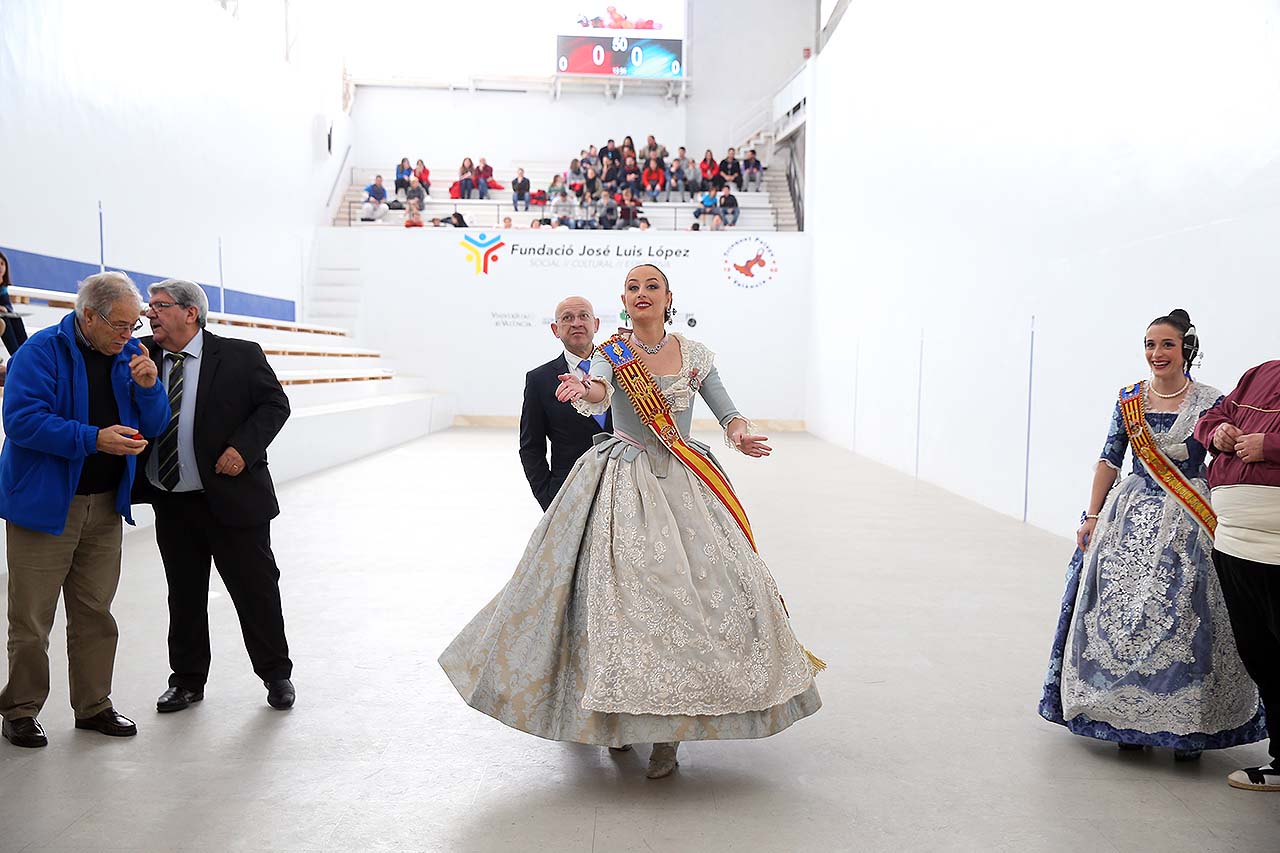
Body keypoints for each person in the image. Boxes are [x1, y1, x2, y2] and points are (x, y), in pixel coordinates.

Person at [441, 264, 822, 778]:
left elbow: (727, 411)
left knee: (694, 605)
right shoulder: (612, 351)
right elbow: (598, 390)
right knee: (618, 609)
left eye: (652, 286)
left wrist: (739, 434)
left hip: (684, 481)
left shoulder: (696, 354)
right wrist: (584, 393)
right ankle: (621, 720)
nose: (642, 293)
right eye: (633, 287)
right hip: (622, 483)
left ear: (669, 298)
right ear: (624, 301)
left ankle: (670, 734)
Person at [1039, 310, 1264, 761]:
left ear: (1186, 350)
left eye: (1166, 345)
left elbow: (1219, 458)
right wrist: (1092, 515)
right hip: (1128, 517)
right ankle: (1125, 719)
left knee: (1186, 612)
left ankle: (1187, 725)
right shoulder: (1129, 400)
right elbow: (1109, 459)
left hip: (1190, 518)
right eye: (1149, 344)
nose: (1156, 353)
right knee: (1121, 612)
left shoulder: (1211, 400)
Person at [0, 272, 169, 748]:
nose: (128, 334)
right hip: (45, 506)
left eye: (134, 324)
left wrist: (151, 386)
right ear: (88, 316)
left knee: (96, 613)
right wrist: (93, 438)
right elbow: (22, 421)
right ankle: (20, 709)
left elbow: (153, 424)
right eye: (119, 324)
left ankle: (93, 705)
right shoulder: (39, 352)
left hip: (105, 507)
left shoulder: (131, 356)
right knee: (32, 620)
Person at [133, 280, 295, 713]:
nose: (151, 314)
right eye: (150, 306)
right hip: (172, 499)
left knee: (255, 591)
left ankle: (276, 675)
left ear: (191, 313)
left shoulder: (240, 354)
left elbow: (275, 405)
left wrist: (242, 449)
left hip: (232, 499)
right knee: (183, 594)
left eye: (160, 306)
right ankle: (186, 681)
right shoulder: (139, 354)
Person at [1193, 360, 1280, 791]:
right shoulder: (1261, 372)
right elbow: (1211, 418)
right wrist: (1218, 433)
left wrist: (1273, 447)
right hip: (1235, 545)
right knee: (1262, 657)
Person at [518, 297, 612, 511]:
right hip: (568, 496)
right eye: (567, 318)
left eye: (583, 316)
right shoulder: (539, 380)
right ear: (555, 329)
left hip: (623, 492)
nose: (576, 323)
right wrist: (549, 498)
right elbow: (531, 447)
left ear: (595, 324)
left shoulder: (621, 371)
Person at [0, 250, 30, 356]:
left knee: (16, 318)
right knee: (5, 321)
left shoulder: (3, 287)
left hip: (3, 314)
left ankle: (26, 352)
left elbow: (8, 306)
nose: (0, 267)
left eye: (2, 264)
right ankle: (16, 355)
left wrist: (5, 309)